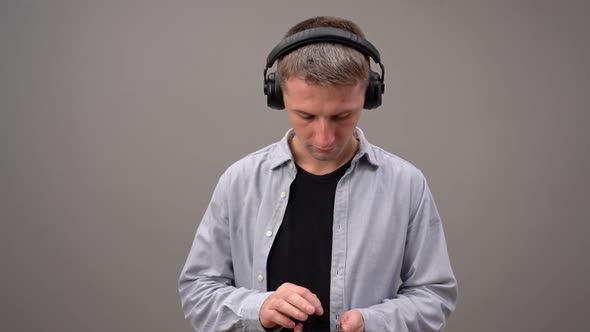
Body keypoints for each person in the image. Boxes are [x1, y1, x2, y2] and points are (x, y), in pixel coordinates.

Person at [178, 16, 457, 332]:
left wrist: (375, 322)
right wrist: (258, 309)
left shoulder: (406, 185)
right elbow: (198, 290)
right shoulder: (240, 181)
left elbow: (434, 294)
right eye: (306, 116)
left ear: (370, 95)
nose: (324, 138)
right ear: (277, 95)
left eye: (343, 116)